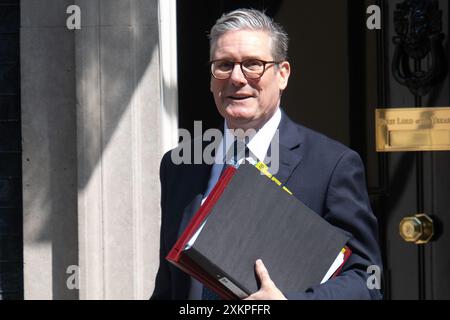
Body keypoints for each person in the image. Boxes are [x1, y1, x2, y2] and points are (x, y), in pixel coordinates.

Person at [151, 8, 382, 300]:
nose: (236, 78)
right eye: (224, 65)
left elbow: (365, 281)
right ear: (211, 78)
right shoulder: (180, 165)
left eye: (253, 64)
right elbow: (170, 286)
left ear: (282, 74)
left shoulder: (331, 166)